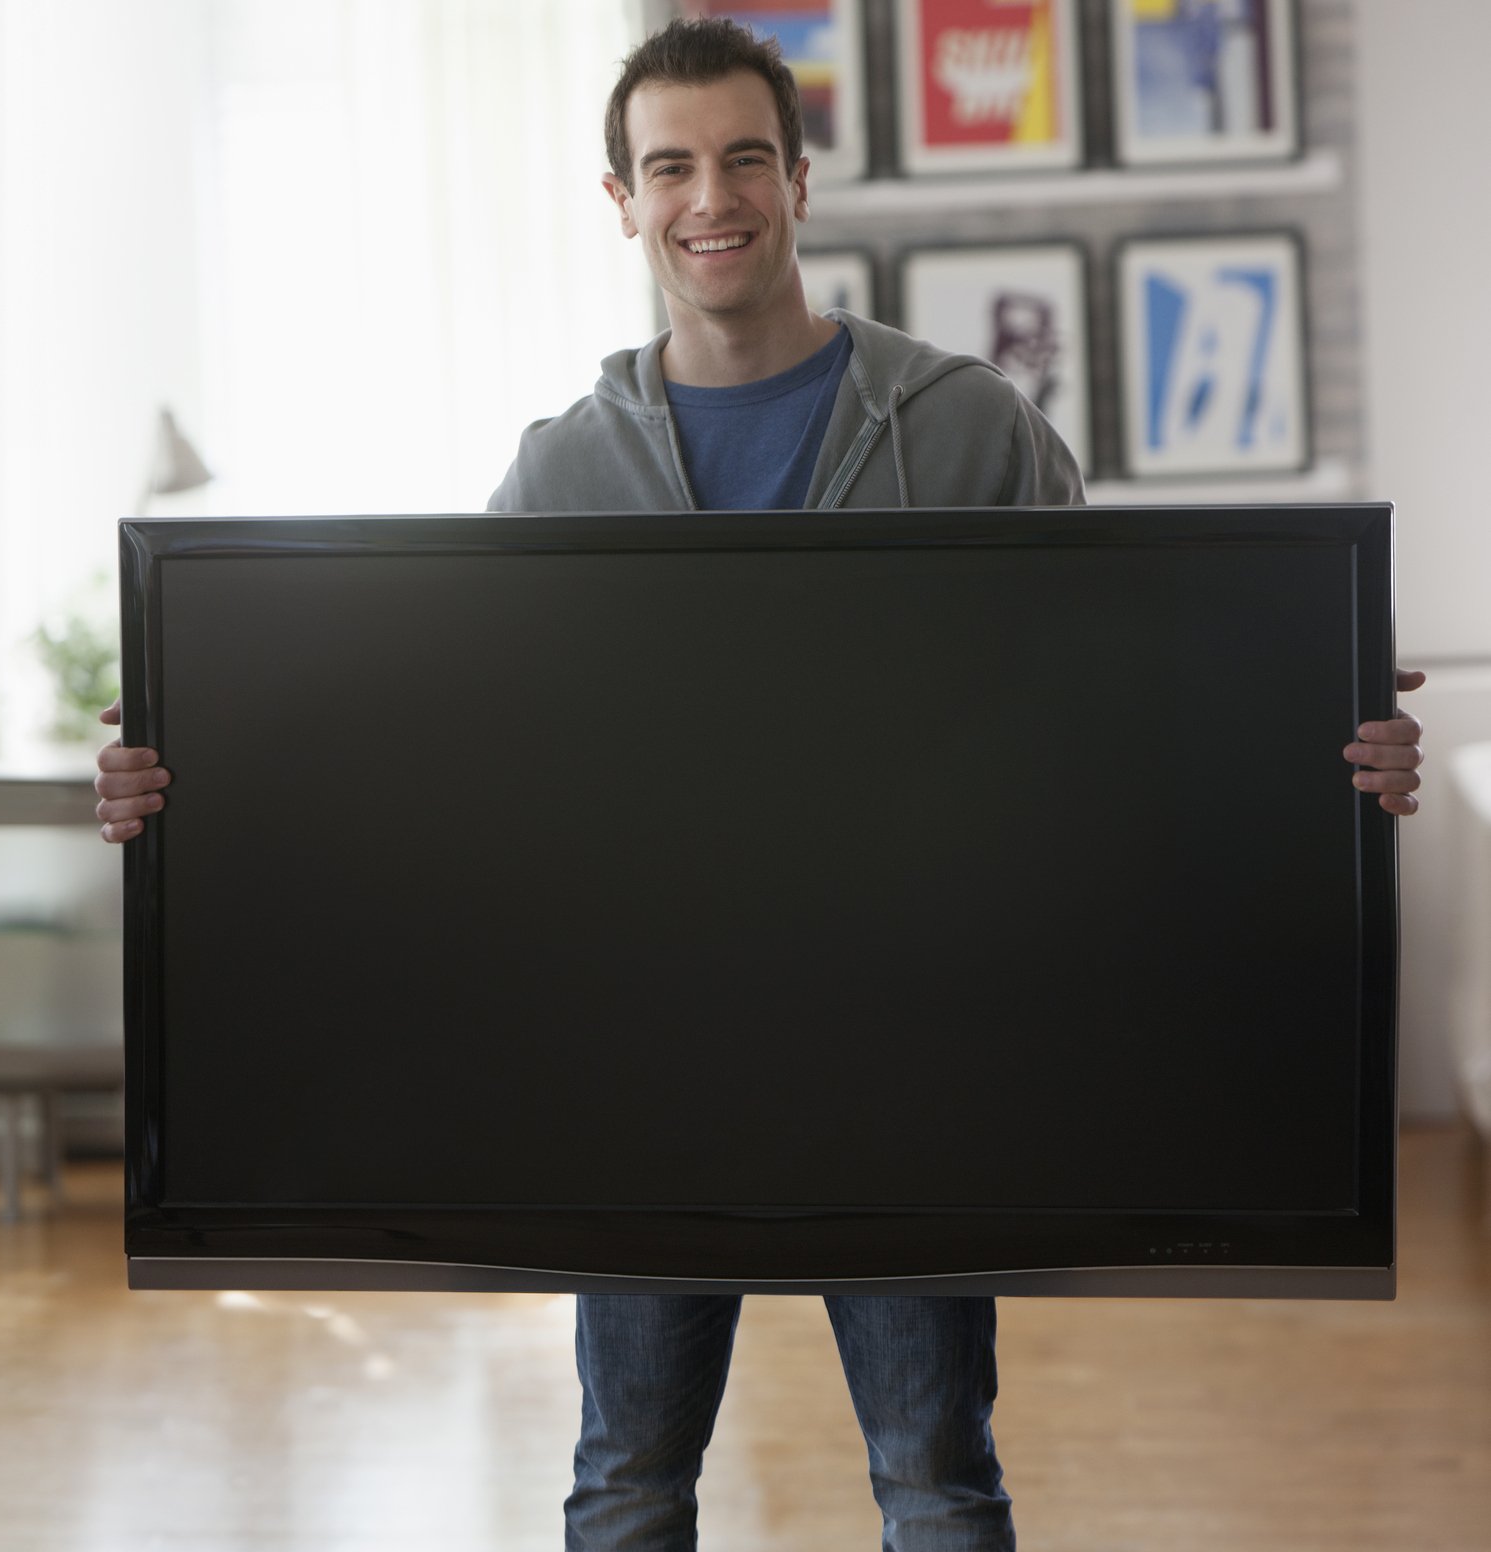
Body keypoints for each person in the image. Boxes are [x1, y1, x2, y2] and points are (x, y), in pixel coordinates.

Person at [95, 18, 1426, 1548]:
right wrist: (185, 764)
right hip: (639, 1077)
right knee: (628, 1482)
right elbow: (449, 756)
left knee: (938, 1480)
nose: (707, 197)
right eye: (668, 167)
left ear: (797, 180)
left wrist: (1311, 727)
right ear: (622, 199)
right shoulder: (557, 475)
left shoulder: (973, 426)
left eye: (741, 159)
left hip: (918, 1066)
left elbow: (1119, 699)